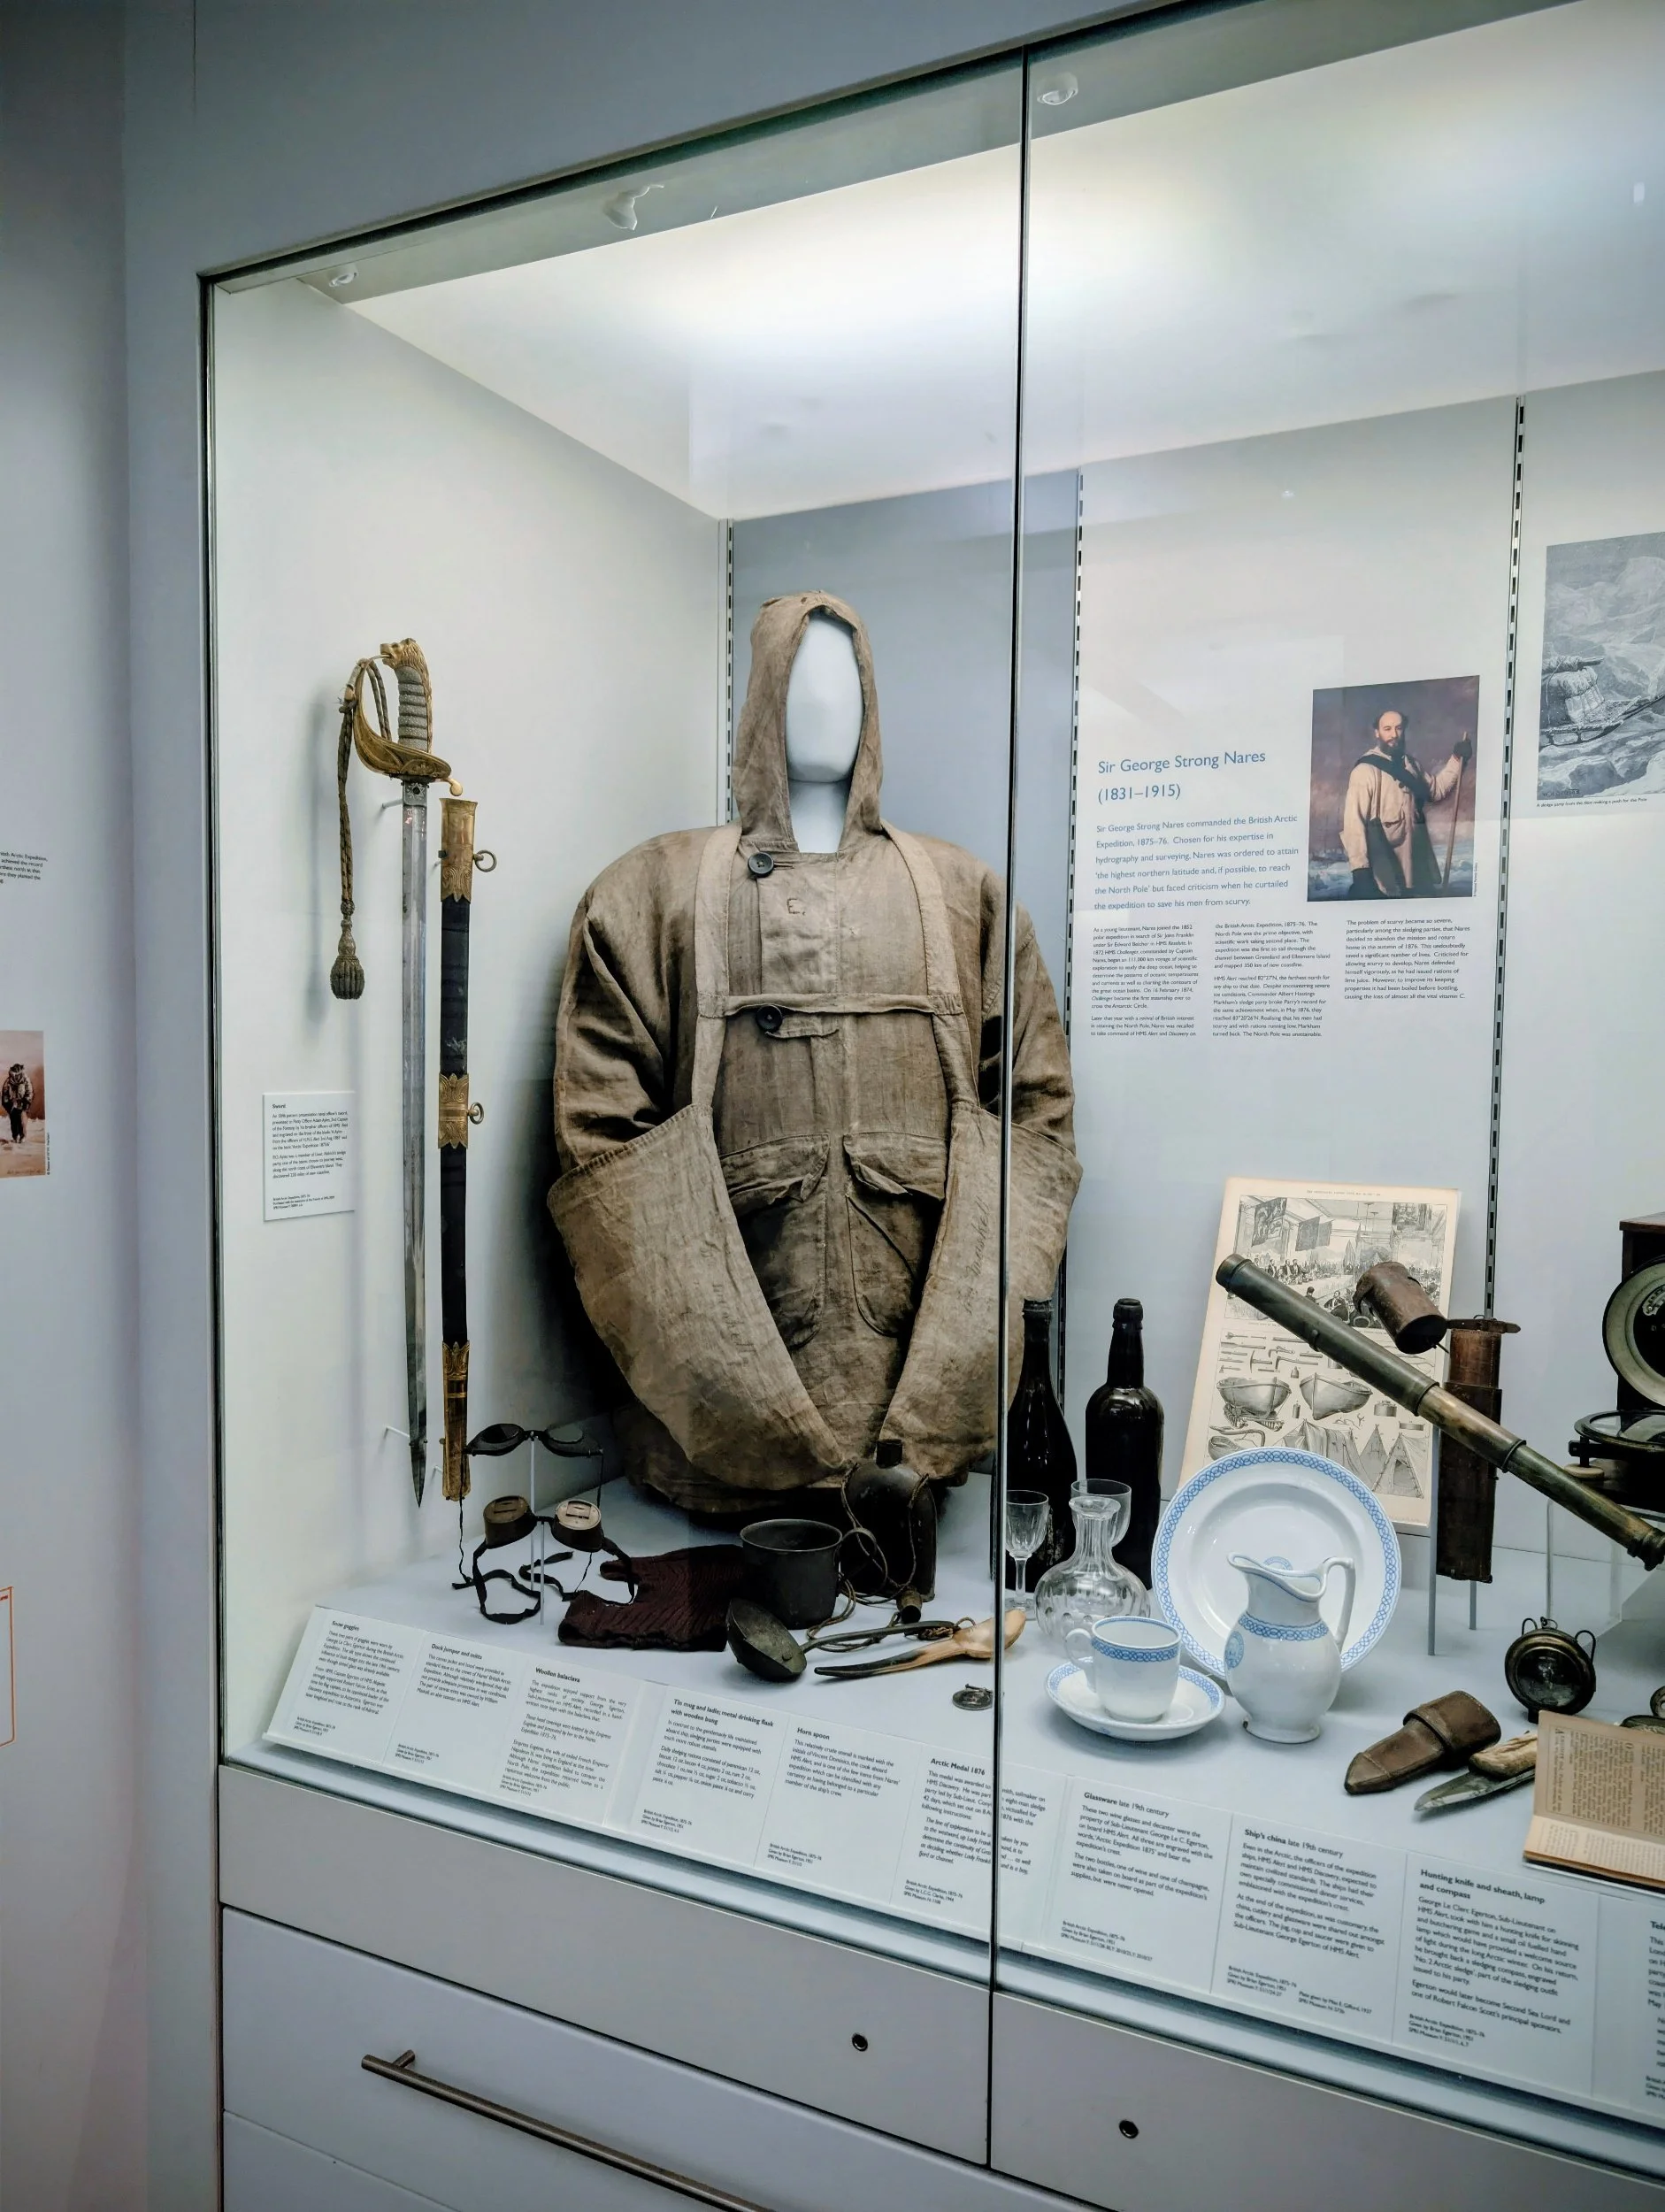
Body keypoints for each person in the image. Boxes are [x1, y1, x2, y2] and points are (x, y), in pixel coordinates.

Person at [1341, 708, 1471, 897]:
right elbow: (1354, 822)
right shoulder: (1365, 771)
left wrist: (1457, 759)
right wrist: (1360, 871)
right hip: (1384, 868)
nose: (1394, 734)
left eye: (1399, 728)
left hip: (1415, 864)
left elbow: (1436, 791)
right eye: (1387, 729)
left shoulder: (1411, 765)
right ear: (1377, 732)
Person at [2, 1062, 32, 1144]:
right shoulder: (8, 1081)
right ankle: (15, 1136)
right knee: (13, 1120)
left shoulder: (25, 1079)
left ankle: (22, 1136)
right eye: (14, 1073)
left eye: (17, 1074)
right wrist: (7, 1104)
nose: (16, 1076)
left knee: (21, 1120)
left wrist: (27, 1102)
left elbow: (29, 1092)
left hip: (22, 1104)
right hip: (12, 1104)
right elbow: (5, 1094)